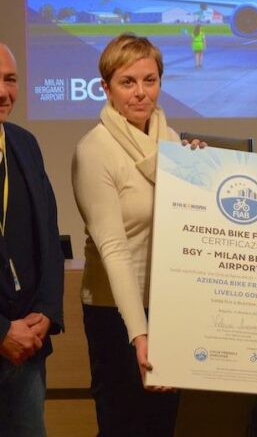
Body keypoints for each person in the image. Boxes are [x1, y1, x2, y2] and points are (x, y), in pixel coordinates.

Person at [72, 33, 204, 437]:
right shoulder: (94, 151)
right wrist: (140, 333)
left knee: (161, 424)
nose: (141, 93)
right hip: (116, 314)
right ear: (106, 88)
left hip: (167, 305)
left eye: (150, 80)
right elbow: (113, 249)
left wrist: (201, 172)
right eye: (128, 82)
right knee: (122, 425)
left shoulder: (170, 140)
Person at [0, 43, 64, 437]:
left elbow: (49, 236)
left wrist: (46, 312)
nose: (3, 92)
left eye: (10, 80)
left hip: (27, 352)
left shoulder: (24, 144)